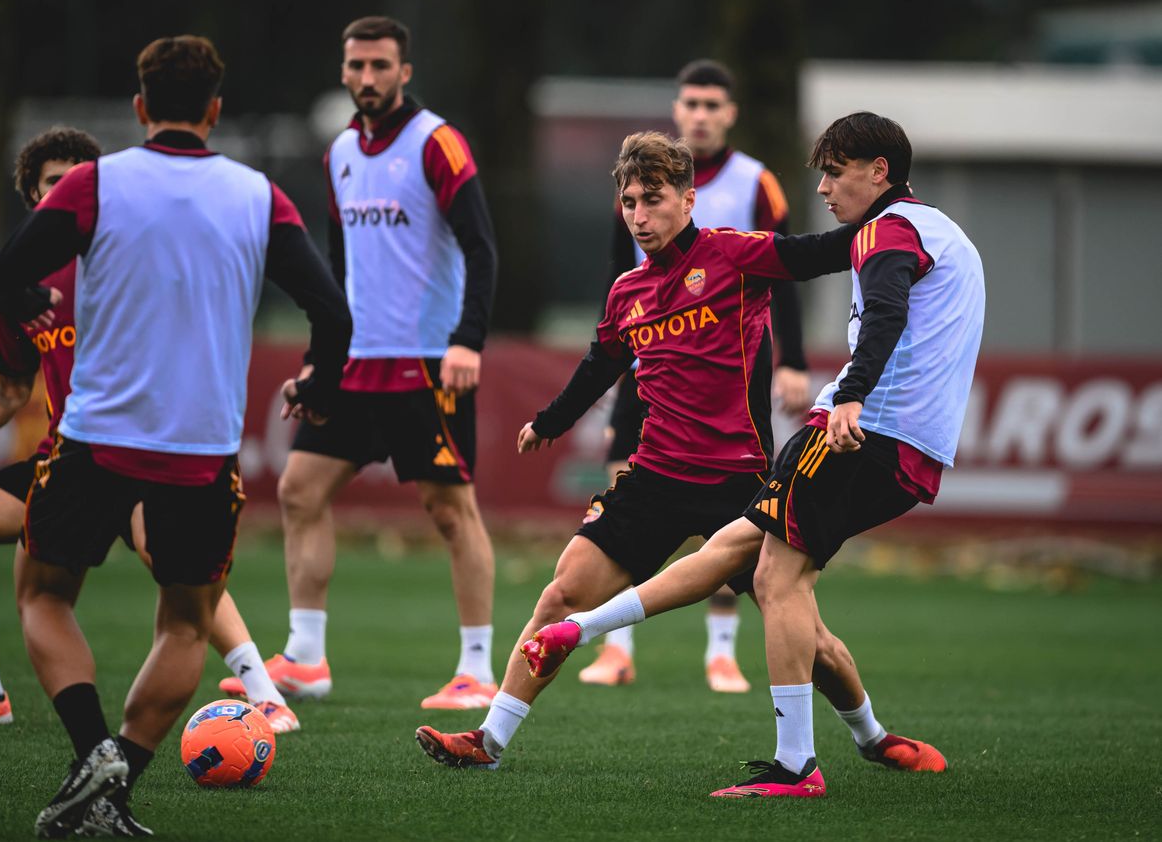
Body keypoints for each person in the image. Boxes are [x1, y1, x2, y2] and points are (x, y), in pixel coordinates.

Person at [415, 131, 943, 776]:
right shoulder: (626, 292)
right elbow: (600, 364)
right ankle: (489, 741)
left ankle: (872, 736)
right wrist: (550, 421)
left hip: (739, 483)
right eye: (629, 202)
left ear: (688, 200)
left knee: (806, 632)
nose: (639, 216)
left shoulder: (734, 254)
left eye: (653, 199)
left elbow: (825, 251)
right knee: (560, 596)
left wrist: (896, 216)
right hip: (655, 478)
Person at [526, 112, 983, 799]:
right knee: (739, 551)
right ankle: (870, 737)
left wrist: (851, 395)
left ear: (879, 172)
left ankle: (796, 766)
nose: (823, 187)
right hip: (908, 443)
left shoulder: (886, 232)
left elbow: (882, 311)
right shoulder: (940, 231)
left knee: (776, 581)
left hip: (860, 432)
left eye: (834, 172)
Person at [0, 36, 351, 837]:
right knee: (186, 621)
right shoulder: (258, 196)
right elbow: (332, 311)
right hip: (202, 452)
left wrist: (27, 300)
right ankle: (115, 786)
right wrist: (318, 386)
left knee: (42, 595)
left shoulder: (95, 183)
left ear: (140, 107)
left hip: (96, 439)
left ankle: (93, 756)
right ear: (215, 110)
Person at [0, 126, 302, 736]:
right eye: (52, 182)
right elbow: (11, 387)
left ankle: (265, 694)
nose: (64, 190)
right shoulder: (19, 289)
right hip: (65, 458)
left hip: (137, 450)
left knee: (171, 566)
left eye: (76, 179)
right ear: (33, 196)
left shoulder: (121, 263)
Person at [234, 15, 499, 711]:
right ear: (344, 71)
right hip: (355, 364)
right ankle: (305, 658)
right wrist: (319, 364)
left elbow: (481, 247)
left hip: (427, 362)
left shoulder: (436, 143)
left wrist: (467, 340)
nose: (368, 78)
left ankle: (477, 670)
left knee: (450, 510)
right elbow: (338, 273)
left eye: (381, 66)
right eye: (357, 66)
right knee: (299, 489)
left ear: (404, 72)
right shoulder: (340, 154)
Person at [584, 59, 812, 694]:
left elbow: (784, 274)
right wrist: (610, 361)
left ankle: (721, 651)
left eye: (713, 105)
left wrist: (793, 359)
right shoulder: (638, 182)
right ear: (677, 110)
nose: (701, 115)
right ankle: (616, 647)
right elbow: (617, 278)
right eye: (692, 104)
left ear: (729, 113)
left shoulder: (755, 182)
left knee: (731, 512)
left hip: (730, 373)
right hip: (647, 364)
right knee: (624, 487)